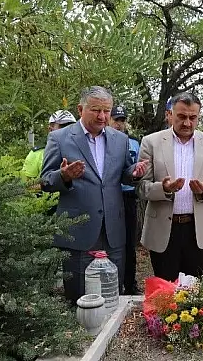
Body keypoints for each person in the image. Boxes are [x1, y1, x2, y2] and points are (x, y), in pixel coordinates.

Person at [40, 86, 149, 302]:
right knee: (80, 297)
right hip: (78, 229)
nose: (102, 116)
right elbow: (45, 181)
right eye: (96, 110)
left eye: (106, 111)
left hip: (113, 229)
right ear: (81, 109)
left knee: (112, 294)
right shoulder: (60, 138)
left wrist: (134, 173)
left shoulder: (120, 139)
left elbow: (124, 175)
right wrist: (64, 176)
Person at [136, 92, 203, 281]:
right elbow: (142, 188)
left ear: (198, 117)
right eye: (182, 117)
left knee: (194, 294)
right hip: (163, 229)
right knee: (165, 291)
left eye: (193, 117)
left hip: (198, 229)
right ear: (169, 115)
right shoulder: (151, 142)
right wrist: (164, 188)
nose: (187, 123)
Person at [109, 105, 142, 295]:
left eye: (122, 120)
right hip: (110, 196)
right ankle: (112, 285)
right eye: (116, 120)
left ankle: (130, 284)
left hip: (128, 196)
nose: (119, 124)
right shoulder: (103, 141)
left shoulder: (133, 143)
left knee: (129, 243)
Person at [21, 110, 77, 181]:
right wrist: (51, 184)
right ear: (50, 129)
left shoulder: (80, 149)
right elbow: (25, 185)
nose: (67, 130)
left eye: (71, 126)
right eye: (63, 126)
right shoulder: (37, 153)